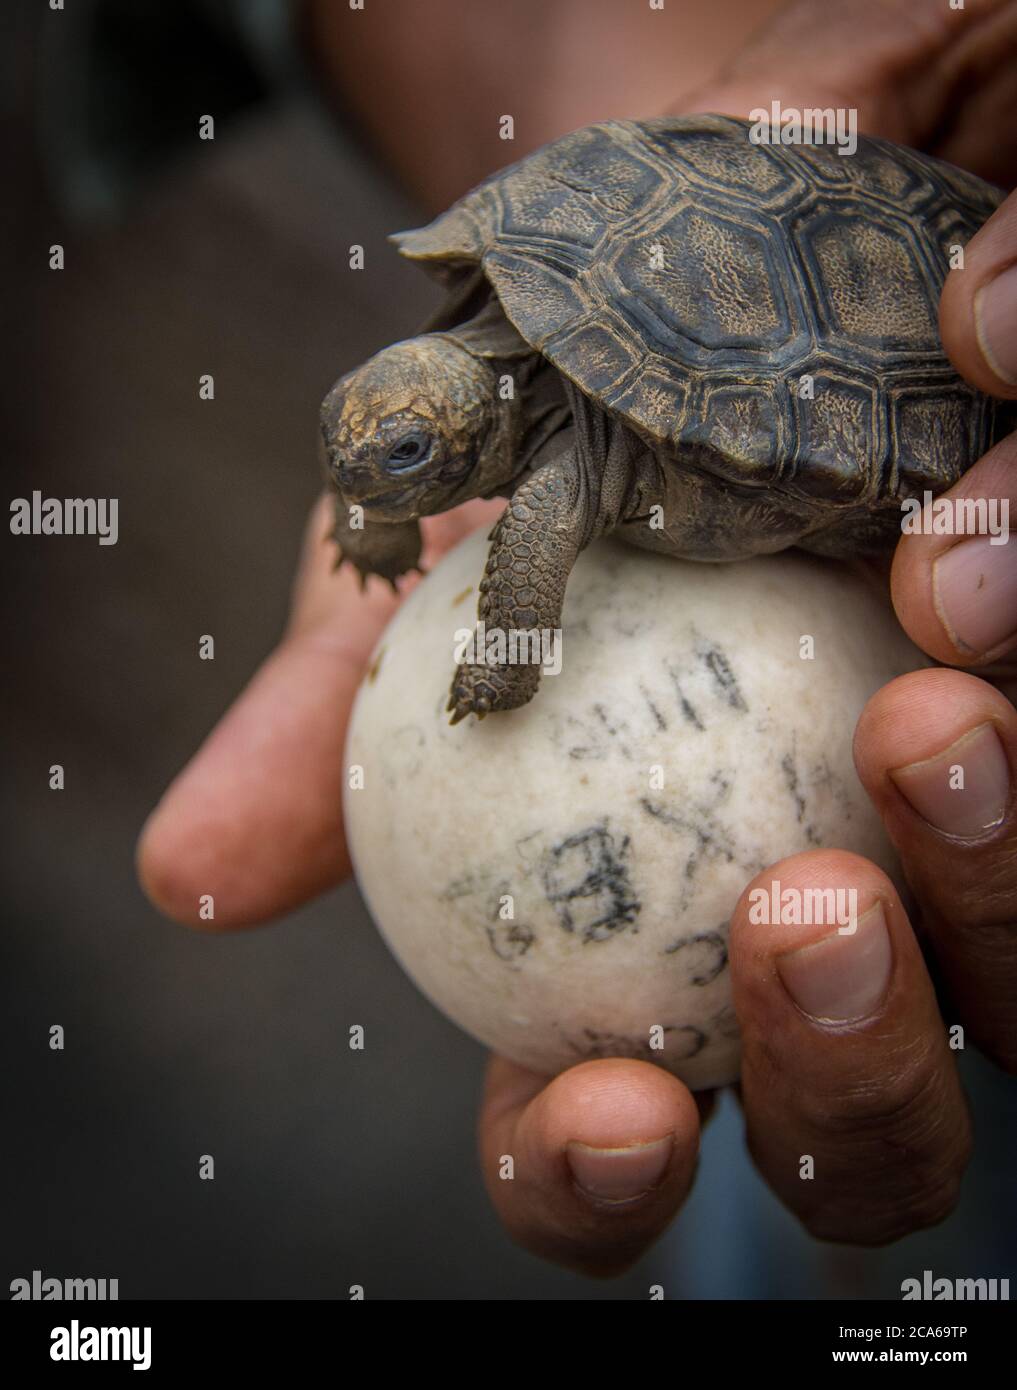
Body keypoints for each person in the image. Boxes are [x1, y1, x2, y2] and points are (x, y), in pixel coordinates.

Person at [138, 0, 1016, 1277]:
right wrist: (380, 525)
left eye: (404, 464)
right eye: (365, 450)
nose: (378, 476)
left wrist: (502, 663)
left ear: (469, 423)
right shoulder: (477, 377)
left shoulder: (554, 468)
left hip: (915, 345)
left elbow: (543, 514)